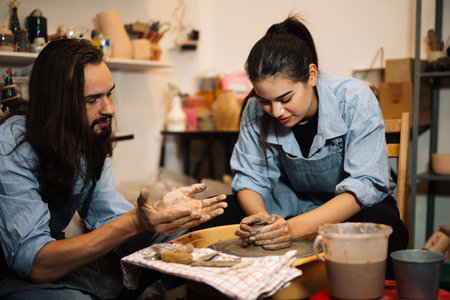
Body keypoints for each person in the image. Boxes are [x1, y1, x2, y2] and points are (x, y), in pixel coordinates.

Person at [0, 38, 227, 299]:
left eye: (109, 93)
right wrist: (134, 222)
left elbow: (110, 220)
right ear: (57, 103)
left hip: (56, 262)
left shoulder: (89, 136)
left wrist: (158, 219)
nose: (108, 108)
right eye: (92, 99)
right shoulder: (12, 144)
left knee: (201, 227)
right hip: (18, 272)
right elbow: (34, 264)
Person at [229, 16, 408, 277]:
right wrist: (264, 224)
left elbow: (366, 184)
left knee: (383, 225)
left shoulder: (354, 97)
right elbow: (249, 179)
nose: (276, 111)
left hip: (351, 207)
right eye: (265, 100)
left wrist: (290, 230)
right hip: (293, 204)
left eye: (285, 98)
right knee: (221, 209)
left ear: (311, 75)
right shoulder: (256, 109)